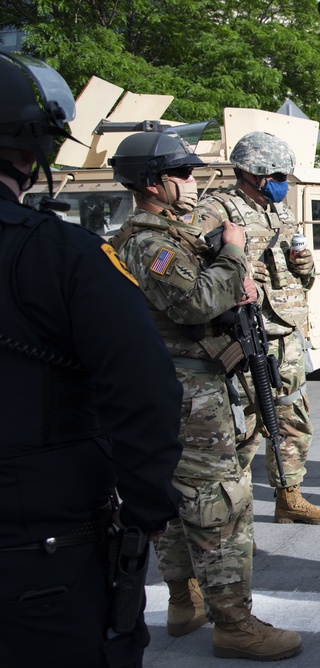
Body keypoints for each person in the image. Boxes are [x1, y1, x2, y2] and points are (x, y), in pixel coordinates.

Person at [0, 53, 183, 668]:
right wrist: (147, 506)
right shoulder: (65, 256)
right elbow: (144, 388)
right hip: (41, 546)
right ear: (33, 149)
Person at [110, 131, 303, 661]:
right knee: (221, 506)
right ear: (155, 184)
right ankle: (235, 625)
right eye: (184, 174)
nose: (194, 183)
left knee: (178, 504)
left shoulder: (166, 234)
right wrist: (236, 254)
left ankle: (184, 602)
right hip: (189, 392)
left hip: (187, 384)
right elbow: (195, 302)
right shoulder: (147, 243)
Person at [195, 131, 320, 526]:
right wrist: (236, 267)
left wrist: (304, 268)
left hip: (286, 331)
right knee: (244, 430)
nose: (282, 183)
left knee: (292, 420)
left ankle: (289, 497)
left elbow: (293, 273)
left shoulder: (281, 212)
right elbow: (193, 271)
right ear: (252, 172)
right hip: (242, 334)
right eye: (276, 175)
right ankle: (233, 521)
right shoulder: (216, 209)